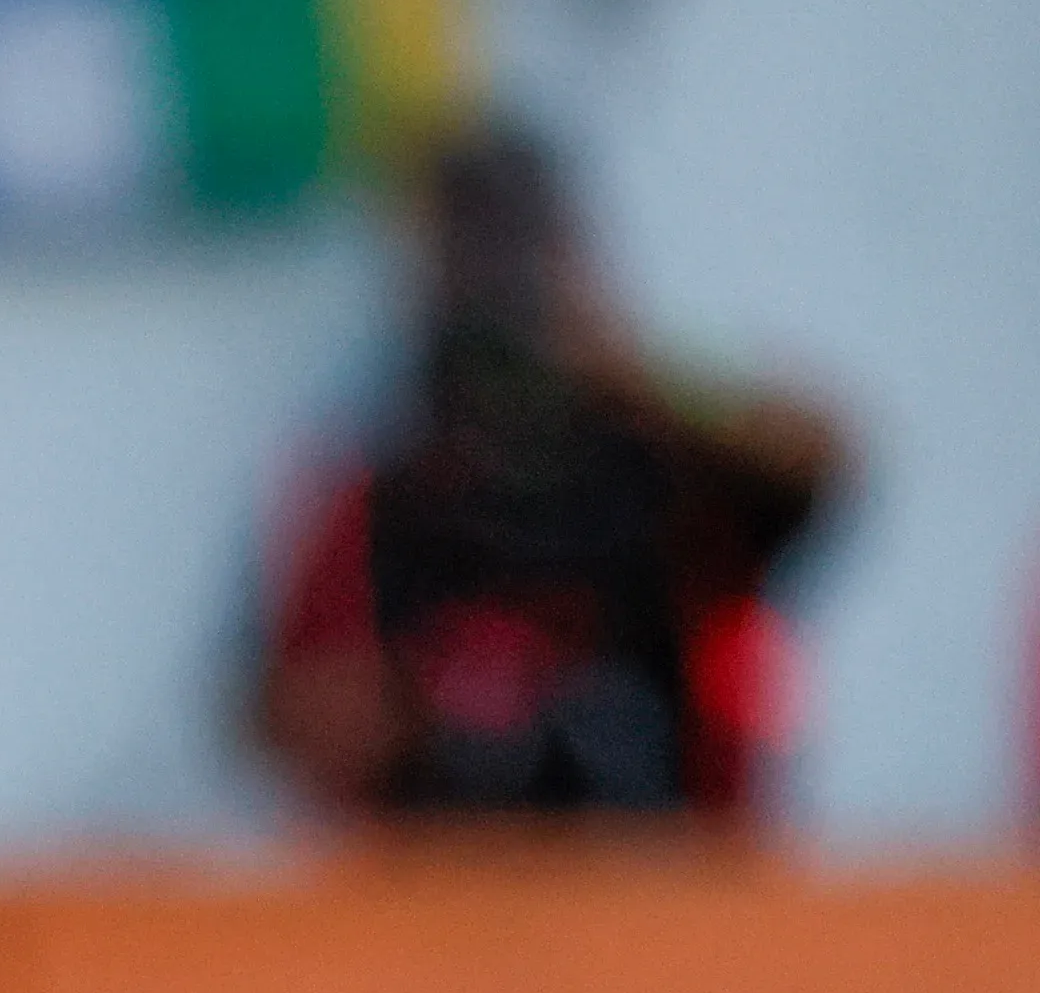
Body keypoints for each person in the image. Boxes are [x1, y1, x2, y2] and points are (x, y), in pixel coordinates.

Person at [253, 121, 849, 830]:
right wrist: (422, 707)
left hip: (669, 876)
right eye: (469, 258)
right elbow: (277, 711)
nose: (496, 290)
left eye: (518, 250)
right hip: (446, 891)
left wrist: (630, 364)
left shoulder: (674, 473)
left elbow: (818, 457)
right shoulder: (385, 495)